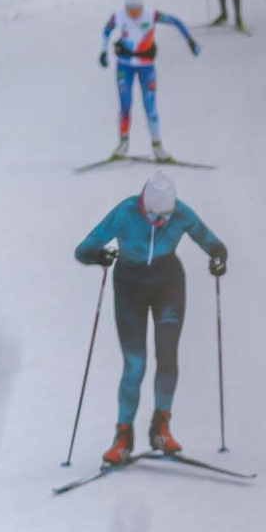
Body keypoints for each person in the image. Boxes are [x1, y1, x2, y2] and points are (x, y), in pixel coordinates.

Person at [75, 172, 227, 466]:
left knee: (167, 356)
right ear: (143, 203)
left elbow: (213, 243)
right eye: (153, 215)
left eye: (164, 217)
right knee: (135, 365)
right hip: (129, 287)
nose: (159, 222)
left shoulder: (180, 212)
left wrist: (218, 257)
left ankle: (161, 428)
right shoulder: (125, 212)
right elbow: (83, 251)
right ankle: (123, 437)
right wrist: (99, 257)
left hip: (167, 285)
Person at [98, 0, 199, 162]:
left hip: (146, 67)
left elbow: (175, 22)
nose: (134, 14)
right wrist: (103, 52)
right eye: (131, 10)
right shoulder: (119, 16)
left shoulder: (151, 15)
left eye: (137, 10)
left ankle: (158, 146)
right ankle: (122, 144)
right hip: (124, 67)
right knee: (125, 104)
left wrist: (190, 41)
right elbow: (106, 32)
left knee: (150, 106)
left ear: (142, 7)